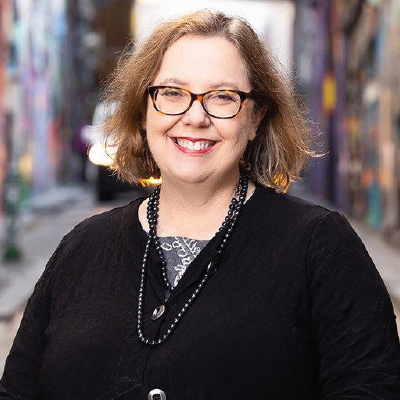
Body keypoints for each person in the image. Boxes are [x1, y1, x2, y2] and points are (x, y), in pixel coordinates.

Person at [1, 9, 400, 400]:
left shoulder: (321, 248)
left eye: (222, 97)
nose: (195, 117)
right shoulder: (81, 249)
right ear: (143, 111)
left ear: (256, 118)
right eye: (172, 93)